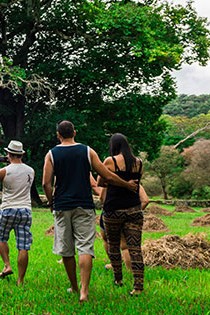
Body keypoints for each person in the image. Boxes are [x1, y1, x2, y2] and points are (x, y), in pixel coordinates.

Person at [42, 121, 138, 303]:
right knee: (85, 247)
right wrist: (127, 185)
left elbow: (46, 183)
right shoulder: (88, 151)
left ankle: (75, 286)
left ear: (58, 135)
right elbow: (107, 175)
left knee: (66, 249)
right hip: (84, 205)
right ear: (75, 133)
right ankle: (84, 292)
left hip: (62, 205)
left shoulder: (51, 154)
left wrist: (51, 202)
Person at [97, 133, 147, 296]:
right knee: (135, 248)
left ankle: (118, 279)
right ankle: (138, 287)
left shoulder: (109, 161)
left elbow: (100, 182)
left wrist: (114, 180)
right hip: (134, 209)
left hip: (113, 209)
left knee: (113, 244)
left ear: (113, 146)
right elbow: (137, 182)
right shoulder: (138, 163)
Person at [0, 140, 35, 286]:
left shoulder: (4, 171)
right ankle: (20, 280)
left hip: (8, 209)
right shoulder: (30, 170)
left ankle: (7, 265)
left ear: (9, 154)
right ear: (21, 154)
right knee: (23, 246)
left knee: (1, 237)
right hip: (25, 210)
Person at [99, 182, 149, 273]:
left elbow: (101, 197)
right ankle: (130, 271)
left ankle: (114, 266)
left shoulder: (110, 180)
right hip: (131, 214)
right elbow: (145, 200)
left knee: (107, 240)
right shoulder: (135, 182)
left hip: (111, 213)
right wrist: (135, 211)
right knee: (125, 246)